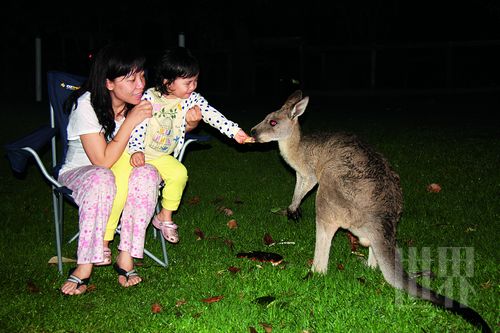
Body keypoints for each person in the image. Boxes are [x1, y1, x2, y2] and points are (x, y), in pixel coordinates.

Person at [105, 46, 253, 245]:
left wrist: (235, 132)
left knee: (179, 173)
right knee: (120, 187)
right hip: (131, 152)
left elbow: (213, 115)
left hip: (160, 156)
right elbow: (138, 125)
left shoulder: (192, 100)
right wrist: (137, 149)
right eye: (188, 82)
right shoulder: (150, 97)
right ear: (168, 82)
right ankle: (106, 235)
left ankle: (164, 217)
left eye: (195, 81)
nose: (193, 86)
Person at [58, 43, 161, 295]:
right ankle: (84, 266)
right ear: (108, 83)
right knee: (102, 177)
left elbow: (167, 127)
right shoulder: (86, 105)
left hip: (124, 171)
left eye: (142, 76)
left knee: (147, 174)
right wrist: (130, 122)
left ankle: (126, 256)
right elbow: (101, 161)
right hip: (83, 174)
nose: (141, 84)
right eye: (131, 79)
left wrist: (189, 123)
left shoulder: (138, 102)